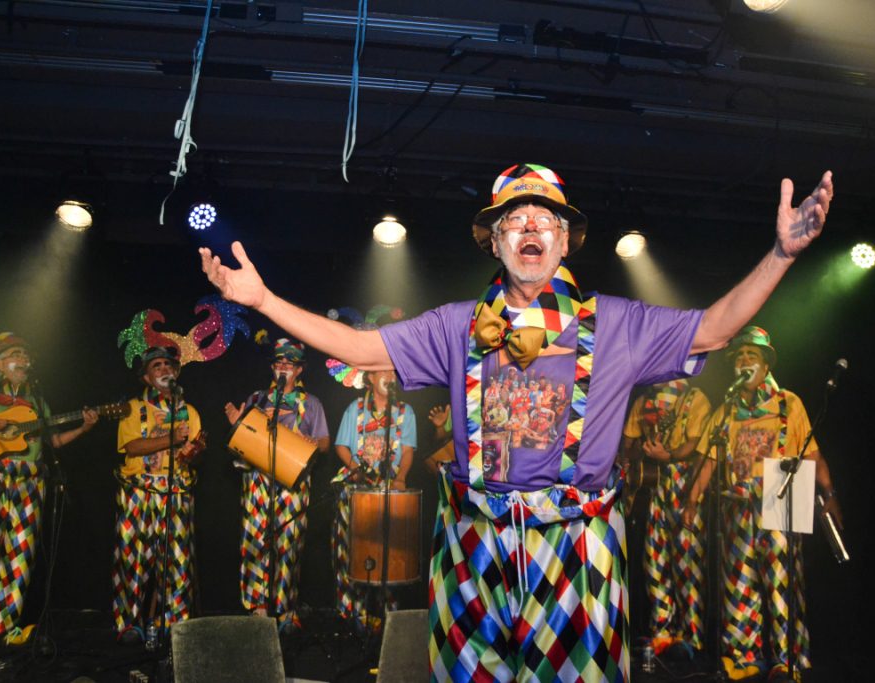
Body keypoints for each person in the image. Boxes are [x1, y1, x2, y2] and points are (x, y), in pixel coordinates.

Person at [199, 162, 834, 681]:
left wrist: (780, 254)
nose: (530, 225)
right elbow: (360, 349)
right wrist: (263, 301)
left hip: (577, 545)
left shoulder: (615, 324)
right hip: (472, 543)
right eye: (514, 219)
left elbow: (716, 329)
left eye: (545, 219)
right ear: (496, 242)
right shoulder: (455, 326)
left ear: (563, 241)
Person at [683, 326, 842, 682]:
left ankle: (788, 661)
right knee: (739, 581)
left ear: (766, 363)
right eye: (739, 355)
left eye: (751, 355)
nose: (743, 361)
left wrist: (830, 495)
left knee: (781, 582)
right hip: (738, 503)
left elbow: (813, 454)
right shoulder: (726, 409)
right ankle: (743, 657)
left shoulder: (788, 402)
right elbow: (708, 460)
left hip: (781, 497)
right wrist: (692, 502)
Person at [0, 332, 98, 640]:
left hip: (31, 481)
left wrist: (84, 427)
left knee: (20, 555)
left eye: (25, 354)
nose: (23, 359)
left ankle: (4, 631)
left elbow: (53, 442)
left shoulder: (36, 402)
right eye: (15, 354)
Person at [224, 338, 330, 632]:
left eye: (290, 364)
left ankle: (285, 609)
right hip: (258, 483)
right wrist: (239, 422)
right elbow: (241, 440)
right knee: (256, 544)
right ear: (273, 367)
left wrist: (313, 443)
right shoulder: (258, 399)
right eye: (279, 363)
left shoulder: (311, 403)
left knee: (288, 547)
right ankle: (257, 608)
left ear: (299, 370)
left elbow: (324, 443)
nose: (283, 367)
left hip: (293, 485)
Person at [113, 346, 204, 644]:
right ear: (147, 378)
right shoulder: (133, 407)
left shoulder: (189, 411)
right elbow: (131, 447)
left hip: (176, 490)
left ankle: (176, 627)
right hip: (138, 491)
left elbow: (190, 451)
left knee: (177, 563)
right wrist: (170, 439)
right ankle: (129, 625)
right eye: (157, 366)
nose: (164, 370)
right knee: (133, 560)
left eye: (168, 365)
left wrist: (194, 451)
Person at [622, 379, 711, 658]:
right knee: (654, 559)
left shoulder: (695, 398)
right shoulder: (643, 400)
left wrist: (668, 454)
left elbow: (696, 446)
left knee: (687, 563)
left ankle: (691, 637)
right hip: (653, 487)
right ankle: (662, 631)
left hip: (684, 485)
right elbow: (627, 445)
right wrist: (642, 453)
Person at [331, 369, 417, 629]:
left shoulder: (405, 411)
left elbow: (408, 451)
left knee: (388, 554)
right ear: (369, 377)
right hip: (355, 491)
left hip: (387, 492)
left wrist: (401, 476)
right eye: (383, 371)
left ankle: (388, 618)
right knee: (348, 551)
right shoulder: (355, 408)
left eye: (393, 372)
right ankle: (350, 614)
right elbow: (341, 446)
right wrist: (356, 470)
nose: (389, 376)